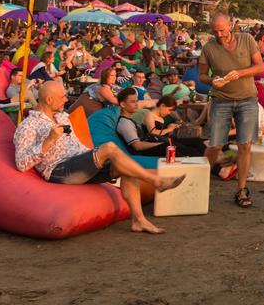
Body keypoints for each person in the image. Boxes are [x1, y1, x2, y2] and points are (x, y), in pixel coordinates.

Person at [14, 81, 184, 234]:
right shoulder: (29, 126)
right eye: (63, 96)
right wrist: (49, 141)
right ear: (49, 100)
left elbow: (76, 145)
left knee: (124, 166)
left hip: (80, 162)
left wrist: (93, 154)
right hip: (59, 169)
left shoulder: (63, 116)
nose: (66, 100)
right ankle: (157, 182)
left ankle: (139, 220)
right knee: (110, 147)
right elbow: (22, 163)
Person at [199, 13, 264, 208]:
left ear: (231, 25)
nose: (219, 34)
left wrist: (240, 73)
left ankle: (241, 189)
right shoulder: (209, 48)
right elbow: (202, 75)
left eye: (222, 29)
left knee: (245, 145)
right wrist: (213, 81)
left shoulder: (247, 39)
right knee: (215, 145)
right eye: (215, 31)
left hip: (247, 99)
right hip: (221, 100)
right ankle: (199, 185)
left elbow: (260, 66)